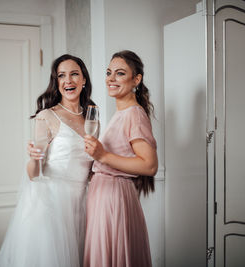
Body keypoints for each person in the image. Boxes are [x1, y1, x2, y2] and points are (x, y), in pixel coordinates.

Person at [0, 54, 95, 267]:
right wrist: (33, 158)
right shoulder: (47, 116)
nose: (68, 80)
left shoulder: (92, 120)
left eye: (74, 74)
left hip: (82, 204)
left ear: (84, 80)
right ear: (57, 83)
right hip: (51, 204)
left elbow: (92, 165)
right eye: (62, 76)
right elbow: (34, 173)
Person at [83, 50, 158, 267]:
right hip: (104, 195)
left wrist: (102, 155)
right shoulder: (122, 113)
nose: (111, 79)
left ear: (136, 79)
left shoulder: (134, 114)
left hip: (114, 198)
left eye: (120, 73)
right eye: (109, 73)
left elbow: (149, 165)